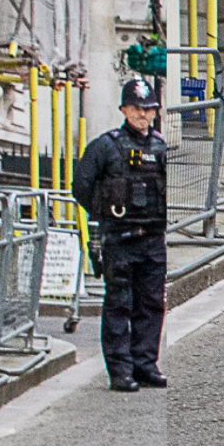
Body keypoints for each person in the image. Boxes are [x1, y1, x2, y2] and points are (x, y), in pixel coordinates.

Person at [72, 77, 169, 391]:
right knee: (119, 304)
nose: (142, 114)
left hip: (152, 237)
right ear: (124, 109)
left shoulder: (159, 146)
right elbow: (81, 186)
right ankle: (120, 371)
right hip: (120, 238)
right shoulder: (106, 145)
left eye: (148, 109)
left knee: (151, 303)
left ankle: (145, 365)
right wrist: (105, 216)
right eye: (136, 108)